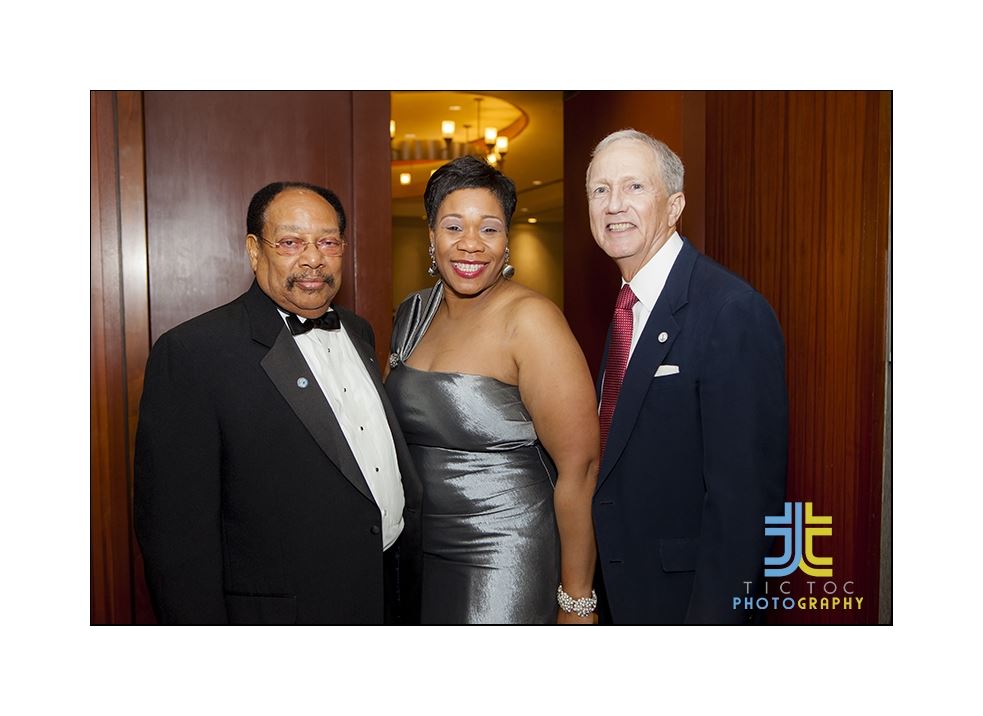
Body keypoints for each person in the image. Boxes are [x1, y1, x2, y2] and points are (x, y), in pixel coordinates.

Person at [134, 181, 422, 624]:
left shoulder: (359, 332)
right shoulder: (193, 353)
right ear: (254, 250)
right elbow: (176, 537)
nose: (313, 258)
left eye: (328, 242)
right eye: (290, 242)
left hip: (386, 595)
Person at [385, 156, 599, 624]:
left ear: (507, 240)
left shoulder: (532, 321)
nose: (471, 244)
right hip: (418, 551)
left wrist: (577, 599)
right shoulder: (411, 314)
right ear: (431, 236)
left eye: (489, 229)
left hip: (505, 550)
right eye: (453, 227)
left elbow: (580, 469)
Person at [586, 129, 788, 624]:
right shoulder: (626, 307)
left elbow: (744, 507)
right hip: (623, 594)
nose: (614, 205)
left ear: (674, 206)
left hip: (688, 605)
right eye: (600, 189)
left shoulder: (730, 310)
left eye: (634, 187)